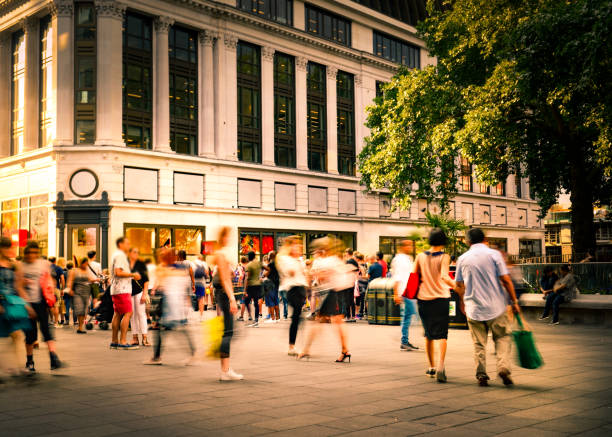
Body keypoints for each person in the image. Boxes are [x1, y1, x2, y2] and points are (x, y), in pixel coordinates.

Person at [455, 228, 520, 387]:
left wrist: (463, 302)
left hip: (474, 308)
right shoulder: (494, 255)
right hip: (496, 307)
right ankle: (503, 367)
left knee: (479, 343)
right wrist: (514, 302)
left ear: (467, 241)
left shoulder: (462, 258)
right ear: (484, 239)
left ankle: (481, 375)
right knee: (503, 338)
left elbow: (459, 285)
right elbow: (505, 280)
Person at [299, 238, 352, 363]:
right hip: (333, 293)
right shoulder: (331, 260)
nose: (315, 253)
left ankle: (344, 350)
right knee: (323, 321)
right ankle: (344, 350)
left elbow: (324, 276)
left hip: (334, 293)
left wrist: (312, 274)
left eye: (316, 250)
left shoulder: (330, 261)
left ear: (323, 250)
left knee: (334, 321)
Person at [413, 230, 456, 382]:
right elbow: (444, 276)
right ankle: (440, 367)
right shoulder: (444, 256)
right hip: (441, 299)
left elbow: (414, 276)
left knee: (428, 334)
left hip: (424, 299)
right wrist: (456, 286)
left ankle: (431, 367)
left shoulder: (420, 256)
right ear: (443, 241)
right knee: (442, 334)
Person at [144, 247, 196, 365]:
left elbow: (179, 286)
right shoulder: (173, 268)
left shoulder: (171, 269)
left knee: (167, 330)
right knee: (167, 330)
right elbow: (163, 283)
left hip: (171, 306)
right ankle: (158, 357)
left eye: (164, 255)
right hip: (170, 306)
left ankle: (157, 357)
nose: (161, 257)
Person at [21, 241, 65, 372]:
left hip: (40, 303)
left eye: (35, 252)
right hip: (27, 303)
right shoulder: (21, 266)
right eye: (29, 253)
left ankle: (53, 358)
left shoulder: (43, 264)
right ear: (25, 253)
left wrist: (50, 287)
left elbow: (49, 279)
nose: (32, 255)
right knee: (30, 334)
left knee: (46, 330)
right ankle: (29, 360)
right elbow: (17, 285)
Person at [211, 227, 242, 380]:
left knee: (229, 332)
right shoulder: (221, 254)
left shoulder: (220, 254)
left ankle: (226, 369)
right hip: (224, 294)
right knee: (229, 332)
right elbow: (225, 279)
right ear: (222, 237)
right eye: (228, 236)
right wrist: (232, 300)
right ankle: (225, 370)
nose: (229, 239)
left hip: (222, 294)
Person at [0, 237, 33, 379]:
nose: (9, 250)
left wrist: (27, 304)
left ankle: (18, 366)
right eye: (6, 247)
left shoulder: (14, 265)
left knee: (17, 335)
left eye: (10, 247)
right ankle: (12, 366)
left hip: (11, 304)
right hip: (1, 303)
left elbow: (18, 287)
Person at [277, 236, 308, 356]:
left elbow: (304, 274)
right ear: (290, 246)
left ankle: (293, 344)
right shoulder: (284, 258)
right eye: (296, 244)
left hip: (301, 289)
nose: (299, 247)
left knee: (298, 317)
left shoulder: (299, 260)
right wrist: (296, 265)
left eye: (300, 245)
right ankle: (291, 346)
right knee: (296, 316)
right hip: (291, 289)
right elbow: (289, 272)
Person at [110, 237, 140, 350]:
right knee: (128, 313)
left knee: (117, 313)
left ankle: (114, 341)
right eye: (127, 243)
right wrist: (133, 275)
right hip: (122, 288)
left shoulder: (116, 254)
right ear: (120, 244)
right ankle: (122, 341)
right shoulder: (120, 255)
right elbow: (118, 272)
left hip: (116, 288)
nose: (129, 245)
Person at [392, 240, 418, 351]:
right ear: (402, 247)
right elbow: (396, 278)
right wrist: (396, 294)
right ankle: (403, 340)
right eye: (408, 245)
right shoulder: (398, 259)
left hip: (409, 291)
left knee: (407, 316)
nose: (411, 247)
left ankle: (404, 341)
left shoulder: (408, 259)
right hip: (404, 291)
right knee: (413, 314)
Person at [129, 248, 149, 346]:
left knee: (141, 314)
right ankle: (135, 338)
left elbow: (146, 280)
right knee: (132, 316)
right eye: (134, 252)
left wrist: (145, 294)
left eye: (137, 252)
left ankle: (145, 338)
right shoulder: (126, 265)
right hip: (128, 292)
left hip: (139, 292)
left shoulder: (141, 265)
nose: (135, 254)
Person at [66, 257, 92, 334]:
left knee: (84, 310)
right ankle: (80, 327)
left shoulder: (87, 271)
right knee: (79, 308)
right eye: (85, 263)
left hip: (86, 292)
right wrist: (69, 288)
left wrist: (95, 280)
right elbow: (70, 280)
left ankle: (81, 326)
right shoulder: (74, 270)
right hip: (77, 292)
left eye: (87, 263)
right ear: (81, 263)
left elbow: (90, 279)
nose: (86, 265)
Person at [244, 251, 262, 327]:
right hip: (258, 285)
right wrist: (263, 277)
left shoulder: (249, 265)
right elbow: (267, 268)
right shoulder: (259, 263)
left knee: (246, 301)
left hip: (251, 286)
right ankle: (256, 320)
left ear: (249, 257)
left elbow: (247, 278)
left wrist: (245, 290)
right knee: (256, 302)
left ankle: (250, 316)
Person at [264, 251, 280, 323]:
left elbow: (266, 274)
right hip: (277, 284)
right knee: (276, 301)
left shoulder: (270, 264)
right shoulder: (278, 264)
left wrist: (263, 274)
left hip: (270, 283)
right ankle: (277, 317)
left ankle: (272, 318)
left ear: (270, 256)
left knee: (270, 301)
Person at [48, 257, 65, 328]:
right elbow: (62, 279)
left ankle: (50, 320)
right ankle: (56, 322)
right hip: (56, 288)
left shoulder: (46, 268)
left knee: (49, 305)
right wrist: (62, 289)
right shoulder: (59, 268)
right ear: (55, 261)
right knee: (56, 305)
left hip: (48, 289)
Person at [344, 249, 359, 322]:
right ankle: (353, 316)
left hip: (347, 281)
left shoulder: (348, 261)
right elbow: (357, 271)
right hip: (353, 281)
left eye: (346, 253)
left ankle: (348, 316)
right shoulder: (355, 261)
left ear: (347, 253)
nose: (345, 254)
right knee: (351, 299)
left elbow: (345, 271)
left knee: (347, 299)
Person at [193, 254, 210, 320]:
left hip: (194, 283)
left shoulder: (193, 263)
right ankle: (201, 316)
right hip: (201, 283)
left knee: (193, 298)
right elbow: (207, 274)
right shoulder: (204, 264)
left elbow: (191, 272)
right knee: (201, 299)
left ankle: (189, 313)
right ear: (202, 258)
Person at [355, 253, 369, 319]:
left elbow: (363, 274)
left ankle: (360, 313)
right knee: (363, 298)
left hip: (361, 283)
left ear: (357, 259)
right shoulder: (365, 264)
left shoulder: (360, 265)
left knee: (360, 298)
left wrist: (358, 277)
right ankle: (363, 312)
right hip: (364, 283)